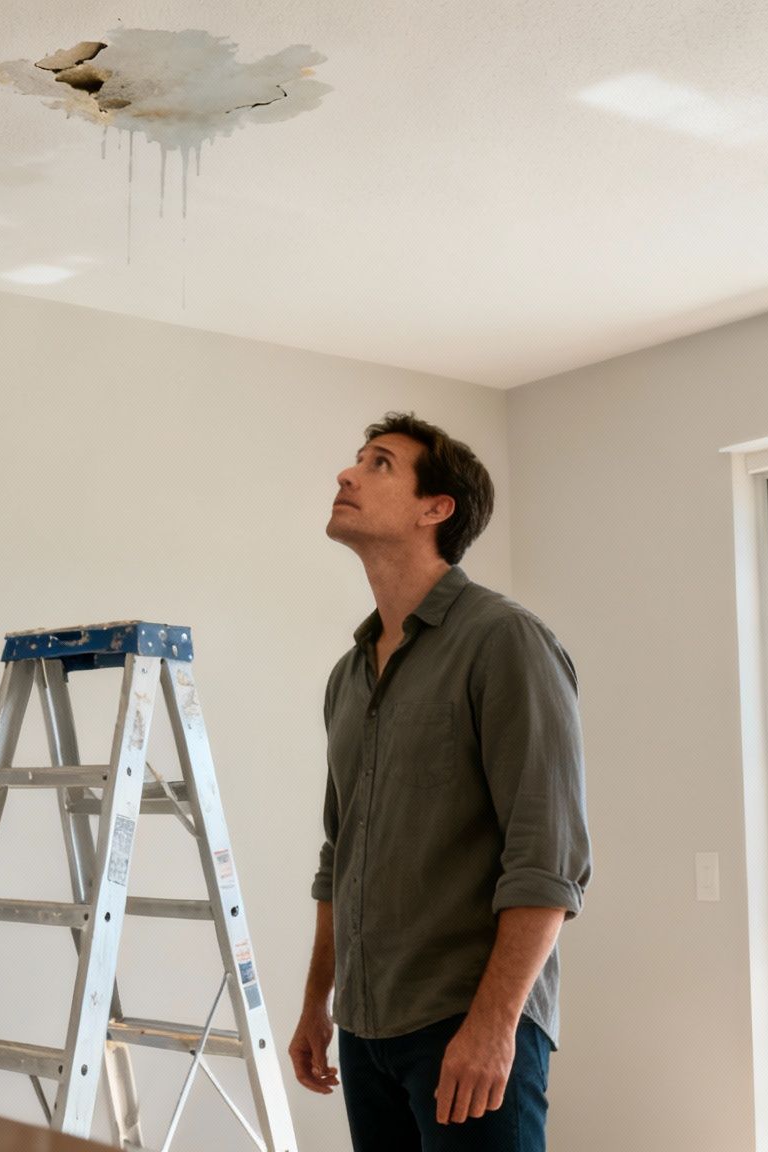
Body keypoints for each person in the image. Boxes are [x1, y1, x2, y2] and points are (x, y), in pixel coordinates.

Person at [288, 413, 591, 1151]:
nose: (347, 473)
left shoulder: (504, 642)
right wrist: (316, 1003)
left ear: (436, 508)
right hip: (366, 1030)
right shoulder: (349, 675)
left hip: (468, 1026)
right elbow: (341, 856)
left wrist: (494, 1027)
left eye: (380, 463)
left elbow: (548, 862)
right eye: (357, 459)